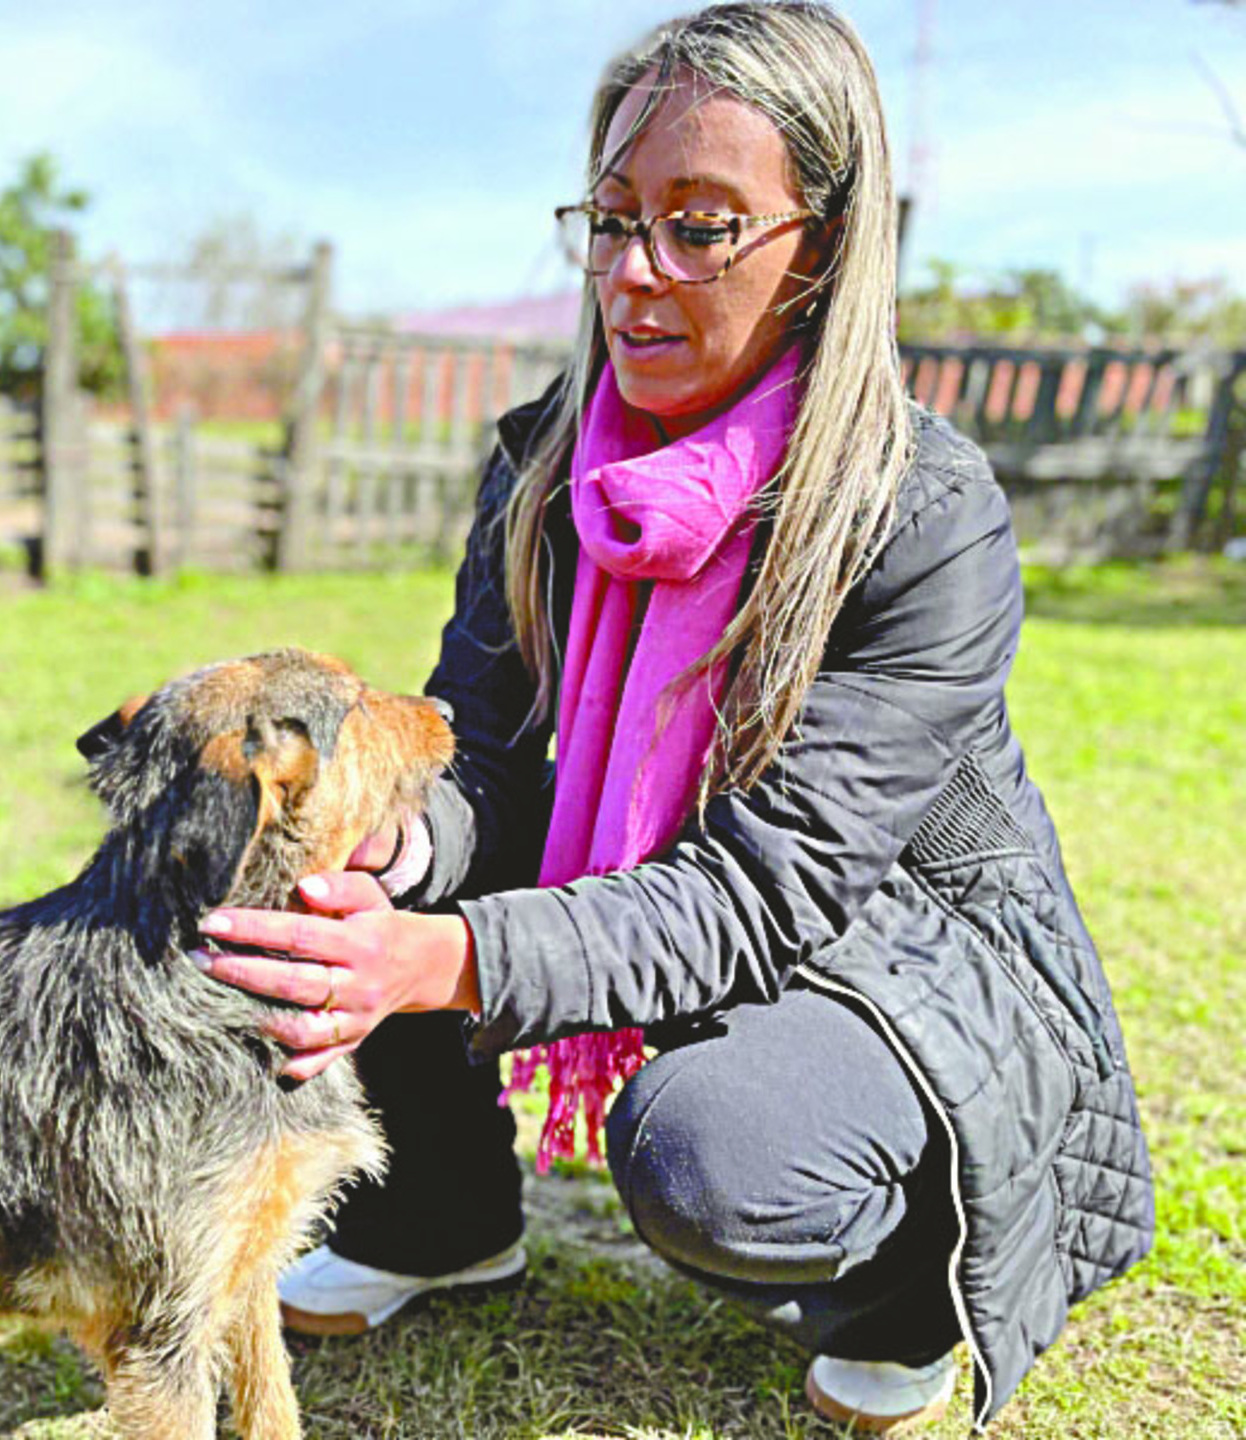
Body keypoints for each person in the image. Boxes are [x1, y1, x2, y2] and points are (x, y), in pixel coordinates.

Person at [191, 1, 1155, 1431]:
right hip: (664, 886)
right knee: (328, 878)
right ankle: (439, 1219)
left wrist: (445, 954)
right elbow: (490, 758)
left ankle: (907, 1288)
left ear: (822, 245)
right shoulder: (542, 468)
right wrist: (392, 859)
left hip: (883, 952)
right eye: (613, 216)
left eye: (700, 227)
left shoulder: (920, 517)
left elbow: (771, 886)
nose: (632, 273)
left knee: (718, 1157)